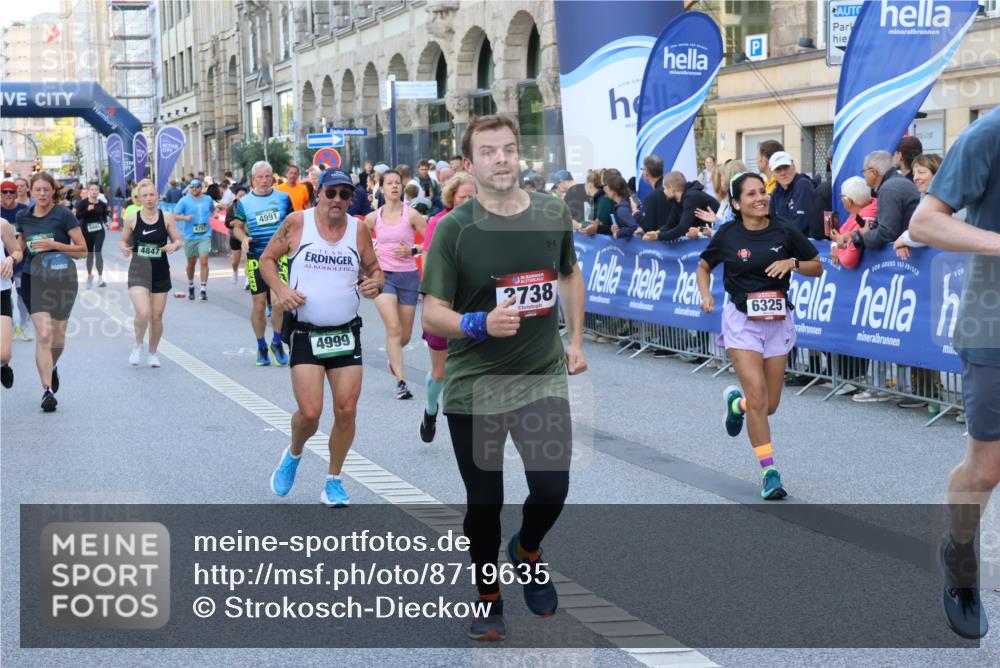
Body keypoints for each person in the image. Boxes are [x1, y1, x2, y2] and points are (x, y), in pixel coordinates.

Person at [421, 114, 588, 641]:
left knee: (550, 488)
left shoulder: (551, 211)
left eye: (509, 150)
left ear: (520, 157)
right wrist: (479, 323)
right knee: (484, 503)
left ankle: (528, 548)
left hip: (540, 377)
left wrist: (576, 341)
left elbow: (568, 273)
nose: (501, 159)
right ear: (469, 165)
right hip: (476, 385)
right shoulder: (454, 228)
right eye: (489, 152)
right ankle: (489, 596)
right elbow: (432, 315)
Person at [908, 106, 1000, 641]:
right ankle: (960, 552)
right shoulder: (989, 133)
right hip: (993, 325)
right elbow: (925, 221)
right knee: (987, 471)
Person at [696, 172, 822, 500]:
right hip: (742, 322)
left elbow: (816, 265)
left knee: (769, 405)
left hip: (778, 321)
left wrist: (792, 262)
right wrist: (705, 294)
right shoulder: (728, 234)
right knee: (758, 395)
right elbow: (703, 266)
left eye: (761, 192)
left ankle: (735, 405)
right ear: (736, 204)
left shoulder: (784, 229)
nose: (760, 198)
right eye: (750, 194)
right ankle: (770, 473)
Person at [263, 168, 384, 507]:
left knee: (346, 411)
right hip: (306, 332)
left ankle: (333, 479)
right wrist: (282, 289)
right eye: (332, 192)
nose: (338, 200)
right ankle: (294, 452)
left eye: (345, 195)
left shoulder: (358, 229)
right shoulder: (297, 223)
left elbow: (374, 269)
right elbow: (267, 260)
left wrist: (377, 282)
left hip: (346, 333)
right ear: (319, 192)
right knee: (311, 413)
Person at [13, 172, 87, 412]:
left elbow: (82, 251)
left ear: (53, 191)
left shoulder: (64, 215)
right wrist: (13, 256)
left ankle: (52, 367)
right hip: (34, 279)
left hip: (63, 279)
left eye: (46, 190)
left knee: (57, 338)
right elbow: (21, 247)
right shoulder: (23, 216)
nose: (42, 194)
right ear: (30, 192)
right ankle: (47, 391)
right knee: (43, 334)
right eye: (38, 190)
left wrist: (56, 245)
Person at [419, 172, 477, 442]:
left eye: (472, 197)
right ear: (452, 198)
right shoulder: (439, 223)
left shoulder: (486, 224)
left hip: (474, 306)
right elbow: (429, 264)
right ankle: (431, 410)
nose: (468, 201)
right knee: (440, 371)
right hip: (444, 306)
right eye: (463, 196)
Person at [364, 169, 427, 400]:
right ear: (381, 189)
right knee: (393, 328)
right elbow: (359, 244)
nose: (394, 187)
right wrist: (369, 260)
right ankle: (401, 382)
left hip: (408, 276)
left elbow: (433, 238)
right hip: (383, 276)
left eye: (397, 183)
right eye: (389, 183)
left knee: (406, 335)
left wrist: (412, 250)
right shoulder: (373, 218)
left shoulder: (410, 215)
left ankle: (394, 356)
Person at [230, 161, 294, 366]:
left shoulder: (283, 198)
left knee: (278, 302)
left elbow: (294, 223)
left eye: (268, 176)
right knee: (258, 306)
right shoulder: (245, 202)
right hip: (256, 257)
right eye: (260, 177)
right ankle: (261, 345)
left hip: (279, 257)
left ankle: (276, 342)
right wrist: (244, 239)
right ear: (253, 179)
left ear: (273, 178)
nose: (264, 181)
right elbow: (237, 228)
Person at [119, 179, 183, 368]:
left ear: (157, 197)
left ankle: (153, 352)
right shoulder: (132, 219)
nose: (148, 199)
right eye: (144, 195)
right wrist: (124, 248)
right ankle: (138, 345)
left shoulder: (167, 217)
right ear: (139, 198)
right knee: (143, 312)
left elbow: (178, 240)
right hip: (139, 270)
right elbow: (123, 241)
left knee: (156, 316)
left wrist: (174, 245)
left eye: (152, 195)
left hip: (160, 270)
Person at [854, 150, 921, 250]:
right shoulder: (896, 183)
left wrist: (866, 236)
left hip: (910, 255)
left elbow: (888, 232)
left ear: (873, 172)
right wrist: (855, 235)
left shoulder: (888, 189)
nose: (864, 175)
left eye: (864, 171)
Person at [643, 171, 719, 242]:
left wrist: (658, 236)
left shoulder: (691, 197)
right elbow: (670, 224)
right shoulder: (677, 201)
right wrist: (656, 232)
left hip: (717, 233)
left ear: (672, 189)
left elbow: (683, 228)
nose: (663, 191)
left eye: (665, 188)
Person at [172, 179, 214, 301]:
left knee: (204, 260)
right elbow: (174, 216)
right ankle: (191, 285)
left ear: (201, 188)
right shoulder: (184, 200)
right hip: (190, 236)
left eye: (196, 187)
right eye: (192, 187)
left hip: (205, 235)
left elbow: (212, 210)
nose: (194, 189)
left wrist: (214, 214)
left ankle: (203, 289)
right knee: (191, 263)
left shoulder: (208, 199)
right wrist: (185, 217)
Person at [1, 181, 31, 341]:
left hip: (18, 261)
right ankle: (9, 326)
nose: (8, 194)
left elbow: (27, 235)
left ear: (16, 193)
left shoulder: (23, 211)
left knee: (20, 294)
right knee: (6, 295)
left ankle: (20, 327)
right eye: (4, 192)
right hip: (2, 265)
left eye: (11, 191)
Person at [767, 151, 815, 234]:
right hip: (785, 240)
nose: (783, 173)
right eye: (778, 169)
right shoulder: (776, 193)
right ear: (772, 173)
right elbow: (771, 221)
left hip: (803, 241)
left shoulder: (803, 185)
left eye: (786, 167)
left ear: (793, 166)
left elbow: (800, 224)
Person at [74, 182, 109, 289]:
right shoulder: (83, 203)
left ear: (99, 192)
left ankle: (100, 277)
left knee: (98, 252)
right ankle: (89, 276)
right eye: (92, 190)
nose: (94, 191)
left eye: (96, 190)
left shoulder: (102, 204)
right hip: (86, 230)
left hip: (99, 230)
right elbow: (78, 215)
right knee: (90, 254)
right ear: (89, 191)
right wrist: (86, 210)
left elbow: (104, 215)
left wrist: (106, 222)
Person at [1, 215, 23, 388]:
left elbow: (18, 251)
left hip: (1, 291)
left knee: (3, 354)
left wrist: (10, 258)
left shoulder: (2, 224)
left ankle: (3, 364)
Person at [695, 159, 747, 227]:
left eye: (723, 176)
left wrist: (716, 222)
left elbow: (732, 229)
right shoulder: (729, 202)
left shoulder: (737, 203)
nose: (721, 179)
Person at [634, 155, 678, 235]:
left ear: (647, 173)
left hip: (662, 243)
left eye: (642, 169)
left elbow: (648, 226)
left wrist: (636, 214)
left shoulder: (653, 196)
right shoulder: (673, 188)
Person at [225, 184, 249, 285]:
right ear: (236, 196)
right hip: (235, 236)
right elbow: (227, 222)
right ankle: (235, 272)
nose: (242, 198)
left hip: (246, 236)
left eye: (244, 195)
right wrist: (235, 222)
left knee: (247, 258)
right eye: (240, 195)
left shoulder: (250, 206)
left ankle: (248, 280)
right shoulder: (232, 208)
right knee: (236, 261)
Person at [605, 173, 638, 239]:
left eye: (608, 189)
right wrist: (615, 229)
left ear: (613, 191)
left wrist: (618, 233)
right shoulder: (623, 205)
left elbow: (633, 227)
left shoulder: (622, 209)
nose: (606, 191)